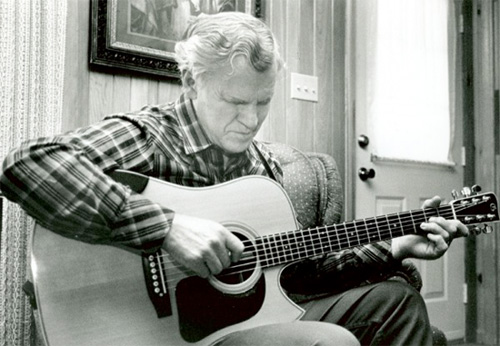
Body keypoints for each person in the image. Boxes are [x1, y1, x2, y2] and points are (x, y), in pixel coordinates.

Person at [0, 12, 468, 346]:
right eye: (234, 101)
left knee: (395, 299)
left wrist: (395, 246)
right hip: (152, 331)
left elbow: (300, 271)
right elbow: (24, 165)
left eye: (262, 102)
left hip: (247, 322)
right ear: (192, 82)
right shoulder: (152, 137)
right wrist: (166, 228)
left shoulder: (260, 171)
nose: (251, 120)